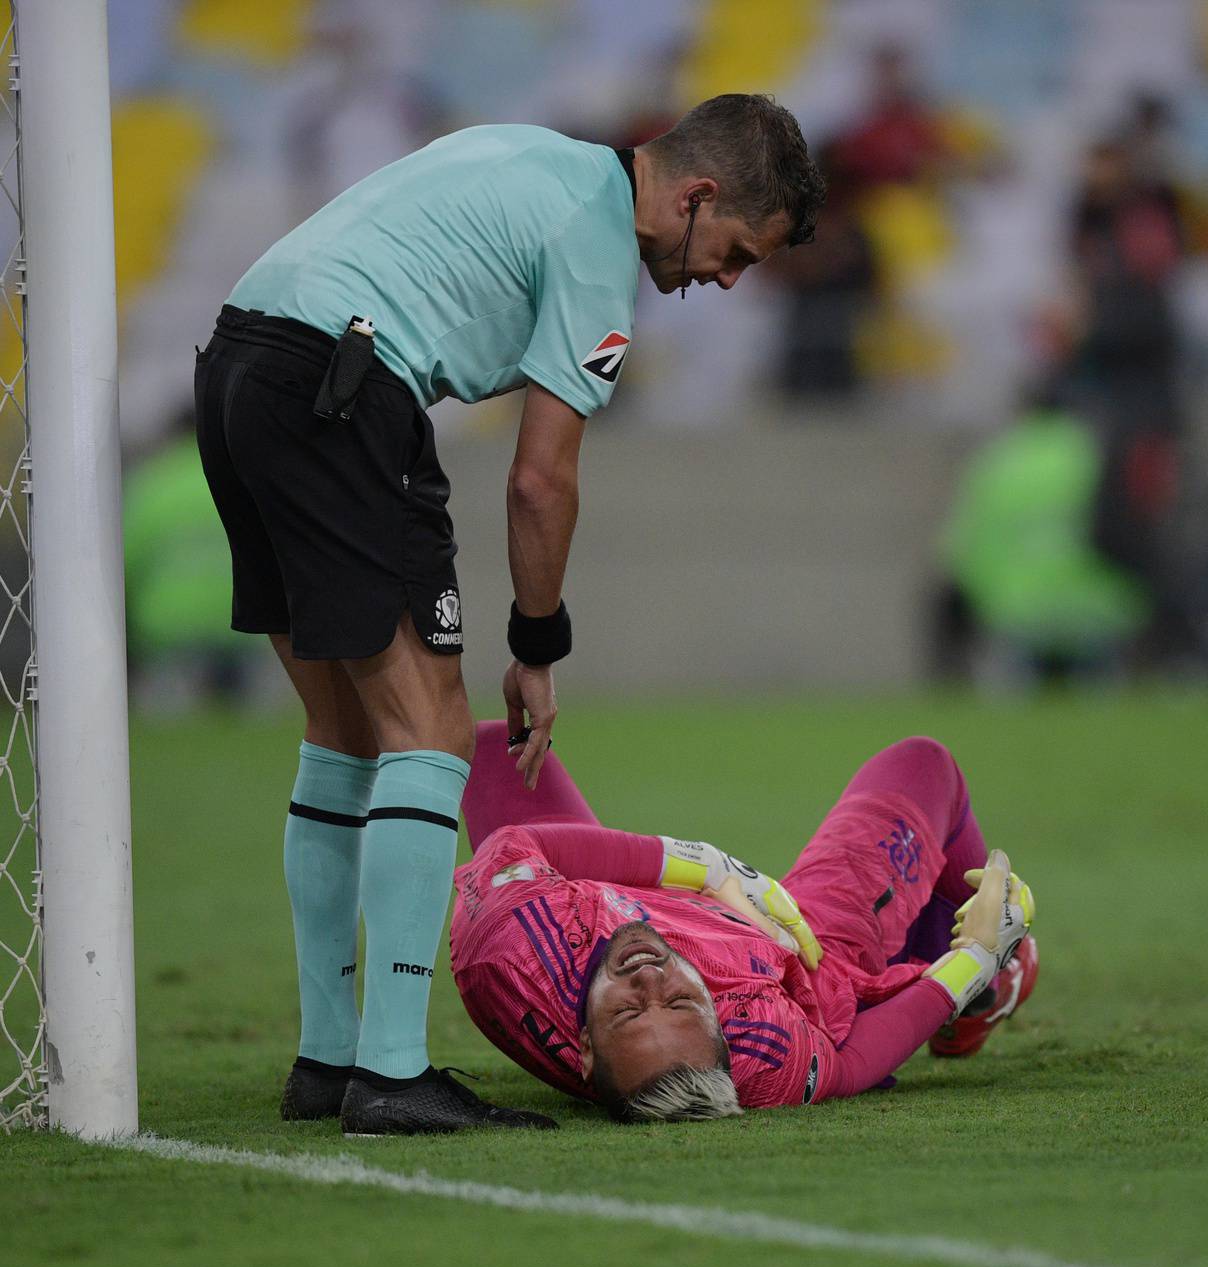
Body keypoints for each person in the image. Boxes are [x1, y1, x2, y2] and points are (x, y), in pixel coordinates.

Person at [196, 96, 826, 1134]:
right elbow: (541, 479)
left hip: (240, 365)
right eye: (736, 253)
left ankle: (326, 1057)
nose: (722, 278)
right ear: (697, 195)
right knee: (431, 731)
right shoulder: (598, 240)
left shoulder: (533, 154)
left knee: (345, 732)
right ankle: (391, 1070)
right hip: (341, 381)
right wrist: (538, 644)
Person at [450, 724, 1039, 1118]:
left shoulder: (517, 940)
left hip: (603, 906)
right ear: (720, 1025)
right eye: (680, 1003)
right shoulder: (761, 1049)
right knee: (922, 764)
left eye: (628, 1011)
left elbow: (516, 844)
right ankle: (981, 1000)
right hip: (800, 948)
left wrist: (704, 866)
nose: (650, 981)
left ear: (584, 1046)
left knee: (502, 748)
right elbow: (849, 1064)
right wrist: (977, 958)